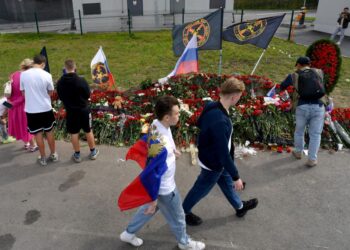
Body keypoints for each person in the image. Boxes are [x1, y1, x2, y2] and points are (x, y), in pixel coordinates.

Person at [120, 96, 205, 250]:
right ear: (167, 117)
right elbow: (153, 174)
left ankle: (128, 233)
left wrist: (173, 150)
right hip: (165, 188)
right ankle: (184, 243)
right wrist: (153, 199)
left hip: (160, 188)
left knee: (148, 210)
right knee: (178, 216)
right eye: (177, 113)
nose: (179, 116)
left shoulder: (157, 124)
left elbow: (162, 144)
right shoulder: (161, 146)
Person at [183, 77, 258, 227]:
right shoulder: (220, 121)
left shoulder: (211, 105)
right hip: (214, 162)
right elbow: (223, 153)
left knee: (226, 183)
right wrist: (236, 176)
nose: (239, 100)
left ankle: (240, 207)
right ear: (233, 96)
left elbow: (200, 123)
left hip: (214, 158)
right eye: (239, 97)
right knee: (201, 189)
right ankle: (183, 212)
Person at [280, 56, 325, 167]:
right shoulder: (319, 72)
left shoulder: (294, 75)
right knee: (315, 134)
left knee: (299, 131)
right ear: (309, 64)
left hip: (302, 106)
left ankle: (298, 152)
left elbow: (282, 86)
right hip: (318, 106)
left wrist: (289, 95)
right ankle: (312, 159)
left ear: (299, 64)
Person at [56, 59, 99, 162]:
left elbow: (60, 96)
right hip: (84, 110)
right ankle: (93, 152)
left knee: (74, 133)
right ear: (75, 68)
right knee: (88, 130)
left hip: (71, 111)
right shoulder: (81, 80)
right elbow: (87, 94)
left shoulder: (60, 82)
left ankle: (77, 154)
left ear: (65, 69)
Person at [20, 54, 58, 166]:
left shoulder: (24, 75)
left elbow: (23, 93)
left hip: (31, 110)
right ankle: (53, 154)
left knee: (38, 134)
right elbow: (51, 92)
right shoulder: (47, 74)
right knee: (49, 132)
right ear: (43, 64)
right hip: (45, 108)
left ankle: (43, 158)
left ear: (33, 62)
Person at [8, 59, 37, 151]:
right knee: (26, 125)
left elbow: (9, 91)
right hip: (22, 105)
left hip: (12, 105)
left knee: (18, 124)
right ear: (30, 68)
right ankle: (33, 145)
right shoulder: (26, 77)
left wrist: (10, 104)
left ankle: (26, 143)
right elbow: (25, 95)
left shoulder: (13, 74)